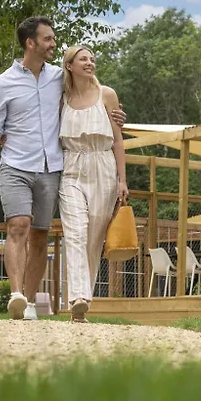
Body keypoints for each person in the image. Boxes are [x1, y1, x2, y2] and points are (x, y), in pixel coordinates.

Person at [0, 16, 126, 320]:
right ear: (30, 43)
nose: (53, 44)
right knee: (18, 225)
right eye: (47, 39)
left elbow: (89, 94)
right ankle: (17, 294)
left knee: (40, 236)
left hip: (51, 167)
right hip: (16, 164)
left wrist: (116, 116)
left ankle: (31, 303)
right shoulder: (4, 83)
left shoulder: (60, 78)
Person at [59, 45, 128, 323]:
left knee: (94, 237)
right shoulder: (61, 98)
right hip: (71, 167)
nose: (90, 63)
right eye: (83, 59)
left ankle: (83, 302)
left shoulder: (107, 95)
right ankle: (77, 296)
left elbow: (118, 140)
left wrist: (122, 180)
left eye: (92, 59)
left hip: (103, 166)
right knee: (75, 232)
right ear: (69, 66)